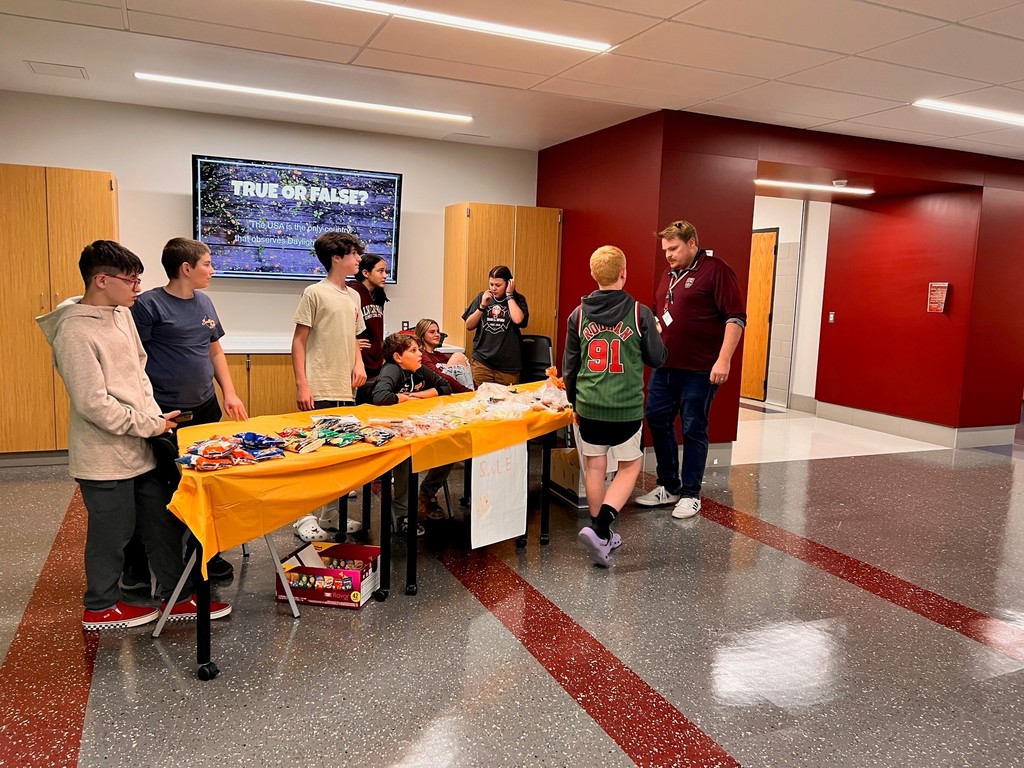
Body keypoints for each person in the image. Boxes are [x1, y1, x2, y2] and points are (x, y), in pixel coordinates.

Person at [36, 240, 230, 630]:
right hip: (104, 454)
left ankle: (177, 596)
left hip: (141, 443)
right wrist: (150, 424)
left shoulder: (122, 314)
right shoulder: (74, 331)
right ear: (101, 280)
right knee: (114, 531)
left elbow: (140, 372)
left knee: (161, 521)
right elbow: (93, 404)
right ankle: (100, 606)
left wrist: (154, 417)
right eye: (131, 280)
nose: (138, 288)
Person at [123, 237, 247, 585]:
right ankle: (147, 563)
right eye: (207, 264)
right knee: (164, 487)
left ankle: (204, 552)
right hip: (166, 413)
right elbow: (132, 359)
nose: (212, 270)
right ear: (186, 268)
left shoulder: (204, 302)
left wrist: (230, 393)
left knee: (206, 481)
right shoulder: (149, 306)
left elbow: (214, 351)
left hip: (205, 407)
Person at [563, 246, 667, 566]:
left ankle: (602, 536)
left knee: (595, 467)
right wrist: (656, 333)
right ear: (624, 273)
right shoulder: (639, 313)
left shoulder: (577, 315)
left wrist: (573, 402)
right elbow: (657, 359)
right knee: (630, 466)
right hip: (626, 407)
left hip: (590, 405)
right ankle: (601, 528)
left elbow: (570, 367)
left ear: (593, 274)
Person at [637, 220, 746, 520]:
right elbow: (663, 312)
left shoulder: (716, 271)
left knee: (693, 427)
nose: (668, 255)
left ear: (692, 243)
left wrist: (723, 359)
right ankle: (669, 485)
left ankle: (690, 494)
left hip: (699, 369)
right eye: (665, 250)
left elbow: (736, 318)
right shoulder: (668, 274)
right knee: (656, 418)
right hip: (665, 366)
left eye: (673, 248)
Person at [291, 231, 367, 534]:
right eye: (354, 254)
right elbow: (299, 341)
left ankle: (330, 515)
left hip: (345, 387)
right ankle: (303, 517)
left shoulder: (354, 295)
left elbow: (354, 337)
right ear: (336, 258)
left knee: (339, 455)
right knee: (314, 454)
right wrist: (302, 384)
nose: (359, 259)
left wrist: (359, 364)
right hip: (319, 383)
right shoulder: (314, 293)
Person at [372, 333, 453, 536]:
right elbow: (381, 396)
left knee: (451, 446)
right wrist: (405, 398)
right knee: (406, 458)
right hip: (391, 432)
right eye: (414, 350)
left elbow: (445, 387)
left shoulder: (418, 369)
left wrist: (417, 395)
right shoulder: (392, 369)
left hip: (417, 427)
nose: (420, 354)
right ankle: (403, 514)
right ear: (398, 357)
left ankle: (426, 492)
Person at [462, 265, 529, 386]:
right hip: (482, 362)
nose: (493, 288)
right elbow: (469, 325)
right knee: (479, 396)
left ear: (508, 283)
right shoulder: (482, 297)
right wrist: (482, 306)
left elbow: (518, 320)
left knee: (507, 397)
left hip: (508, 366)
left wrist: (509, 296)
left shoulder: (518, 299)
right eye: (491, 284)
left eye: (498, 285)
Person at [351, 253, 389, 379]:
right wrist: (352, 342)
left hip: (376, 361)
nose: (385, 275)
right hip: (358, 361)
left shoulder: (379, 295)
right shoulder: (352, 292)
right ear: (366, 273)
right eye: (380, 271)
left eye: (386, 271)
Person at [414, 318, 474, 393]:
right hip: (439, 388)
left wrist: (477, 389)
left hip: (456, 389)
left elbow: (466, 374)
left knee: (460, 359)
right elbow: (439, 377)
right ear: (422, 335)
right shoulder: (421, 355)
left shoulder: (439, 355)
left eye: (438, 332)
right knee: (458, 356)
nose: (437, 335)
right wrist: (468, 392)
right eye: (432, 332)